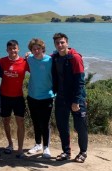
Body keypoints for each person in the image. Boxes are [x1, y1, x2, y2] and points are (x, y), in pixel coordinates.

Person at [51, 33, 88, 163]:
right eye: (57, 43)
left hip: (76, 99)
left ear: (67, 43)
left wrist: (77, 101)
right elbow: (41, 57)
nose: (60, 45)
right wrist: (29, 55)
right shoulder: (55, 57)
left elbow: (80, 81)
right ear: (55, 45)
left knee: (80, 126)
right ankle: (66, 152)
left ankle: (83, 152)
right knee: (62, 126)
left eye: (62, 42)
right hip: (61, 97)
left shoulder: (75, 58)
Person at [0, 40, 28, 158]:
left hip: (18, 97)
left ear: (18, 49)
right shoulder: (2, 61)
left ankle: (20, 148)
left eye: (14, 48)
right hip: (4, 96)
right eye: (10, 49)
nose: (12, 50)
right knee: (6, 121)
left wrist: (30, 54)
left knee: (20, 122)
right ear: (7, 50)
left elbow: (38, 65)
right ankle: (10, 144)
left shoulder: (25, 62)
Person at [26, 38, 55, 158]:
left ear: (43, 49)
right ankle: (38, 144)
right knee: (36, 121)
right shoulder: (29, 59)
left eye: (38, 48)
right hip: (32, 96)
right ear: (31, 50)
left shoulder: (50, 60)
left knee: (45, 123)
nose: (36, 50)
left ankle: (46, 147)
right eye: (34, 49)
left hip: (47, 96)